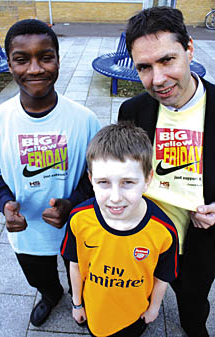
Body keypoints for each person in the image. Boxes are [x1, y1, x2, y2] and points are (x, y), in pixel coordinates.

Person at [0, 19, 100, 327]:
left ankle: (81, 297)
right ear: (9, 63)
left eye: (46, 56)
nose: (35, 69)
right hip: (27, 233)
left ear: (58, 59)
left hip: (76, 227)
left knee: (80, 269)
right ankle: (51, 295)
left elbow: (98, 175)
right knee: (39, 275)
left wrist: (74, 202)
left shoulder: (86, 119)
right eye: (22, 59)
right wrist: (4, 203)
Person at [118, 6, 215, 337]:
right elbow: (119, 168)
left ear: (189, 49)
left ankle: (193, 325)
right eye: (144, 67)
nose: (157, 79)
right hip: (142, 238)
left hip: (198, 245)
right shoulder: (132, 110)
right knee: (137, 299)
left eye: (167, 60)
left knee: (192, 302)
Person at [61, 123, 179, 337]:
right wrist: (77, 303)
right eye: (104, 182)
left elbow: (162, 277)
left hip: (135, 315)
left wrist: (154, 308)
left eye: (127, 182)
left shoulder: (164, 231)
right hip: (94, 311)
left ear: (148, 179)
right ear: (91, 180)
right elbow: (75, 265)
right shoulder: (79, 219)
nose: (115, 197)